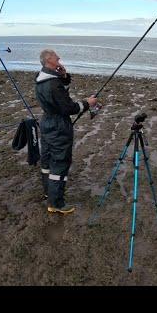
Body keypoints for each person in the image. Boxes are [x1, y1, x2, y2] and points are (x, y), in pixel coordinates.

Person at [34, 49, 98, 214]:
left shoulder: (41, 78)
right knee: (60, 162)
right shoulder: (53, 84)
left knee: (47, 161)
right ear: (49, 59)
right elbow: (68, 107)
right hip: (58, 125)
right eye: (56, 56)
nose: (59, 58)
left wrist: (64, 75)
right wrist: (87, 103)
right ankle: (56, 203)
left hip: (47, 122)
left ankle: (49, 193)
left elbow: (59, 92)